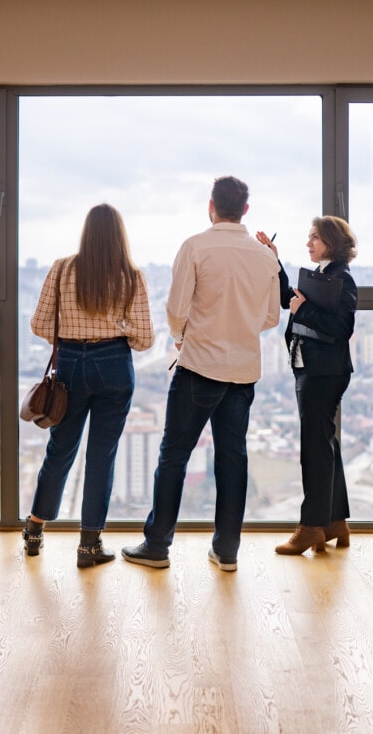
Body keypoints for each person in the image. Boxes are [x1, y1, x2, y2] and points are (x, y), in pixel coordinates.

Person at [122, 176, 280, 572]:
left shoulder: (195, 247)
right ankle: (227, 551)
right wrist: (239, 328)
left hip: (198, 368)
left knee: (174, 455)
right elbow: (272, 317)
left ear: (211, 206)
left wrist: (182, 337)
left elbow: (176, 309)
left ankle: (157, 546)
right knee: (233, 459)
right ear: (246, 209)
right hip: (243, 373)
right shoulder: (266, 257)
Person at [23, 203, 154, 568]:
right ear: (118, 235)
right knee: (102, 456)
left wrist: (73, 333)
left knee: (60, 449)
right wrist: (115, 330)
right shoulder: (131, 276)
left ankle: (34, 531)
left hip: (69, 365)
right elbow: (144, 339)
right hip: (114, 366)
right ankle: (89, 546)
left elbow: (38, 324)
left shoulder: (62, 269)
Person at [256, 216, 358, 556]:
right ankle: (334, 522)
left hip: (323, 372)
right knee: (324, 443)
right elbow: (290, 299)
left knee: (314, 448)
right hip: (312, 369)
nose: (309, 242)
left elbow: (340, 328)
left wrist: (305, 310)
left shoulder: (341, 278)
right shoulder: (324, 275)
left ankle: (311, 527)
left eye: (314, 237)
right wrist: (275, 259)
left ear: (331, 240)